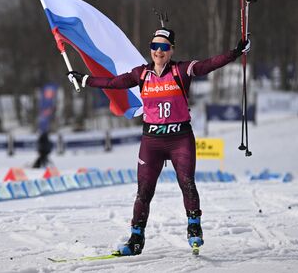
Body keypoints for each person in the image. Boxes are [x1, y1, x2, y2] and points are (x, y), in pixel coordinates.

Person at [67, 25, 250, 256]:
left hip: (180, 139)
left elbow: (209, 64)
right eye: (154, 46)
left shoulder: (182, 70)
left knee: (187, 183)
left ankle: (194, 227)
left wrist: (236, 52)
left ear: (171, 50)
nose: (158, 51)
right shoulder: (141, 73)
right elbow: (114, 83)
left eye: (163, 47)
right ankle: (136, 239)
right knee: (143, 192)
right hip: (151, 141)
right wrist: (85, 80)